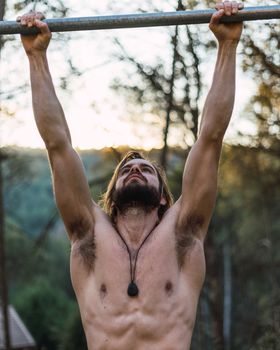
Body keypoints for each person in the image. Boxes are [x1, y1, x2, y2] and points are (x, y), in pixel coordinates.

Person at [18, 2, 243, 349]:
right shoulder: (88, 237)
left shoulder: (184, 236)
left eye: (145, 169)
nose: (135, 170)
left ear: (163, 195)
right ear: (110, 197)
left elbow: (210, 138)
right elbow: (57, 145)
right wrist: (37, 57)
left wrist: (227, 46)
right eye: (126, 170)